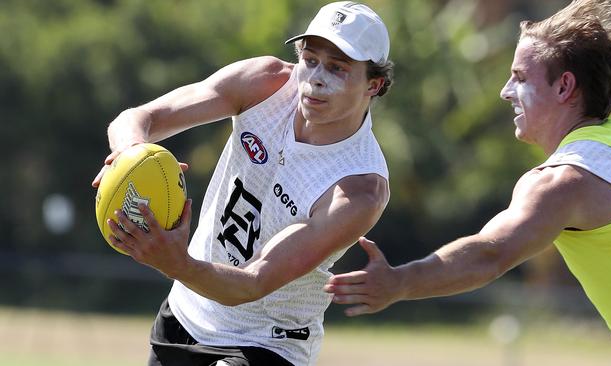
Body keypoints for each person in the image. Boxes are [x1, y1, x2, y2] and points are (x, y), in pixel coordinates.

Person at [324, 0, 611, 365]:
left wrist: (399, 282)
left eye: (521, 77)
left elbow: (490, 253)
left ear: (565, 87)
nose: (505, 91)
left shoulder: (561, 181)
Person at [91, 2, 393, 365]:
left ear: (373, 84)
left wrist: (176, 263)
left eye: (337, 68)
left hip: (267, 342)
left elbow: (253, 282)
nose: (315, 78)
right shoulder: (264, 84)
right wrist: (129, 154)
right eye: (310, 60)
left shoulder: (359, 189)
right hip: (185, 313)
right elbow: (140, 118)